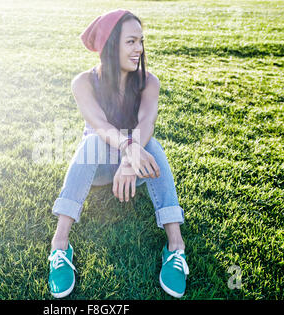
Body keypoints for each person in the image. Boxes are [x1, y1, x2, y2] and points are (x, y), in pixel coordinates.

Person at [48, 9, 189, 299]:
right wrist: (127, 150)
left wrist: (129, 158)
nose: (139, 48)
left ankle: (176, 247)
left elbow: (146, 123)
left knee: (153, 145)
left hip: (134, 173)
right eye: (131, 42)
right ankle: (59, 246)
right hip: (98, 169)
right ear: (111, 45)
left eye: (141, 41)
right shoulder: (83, 82)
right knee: (93, 142)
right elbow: (99, 125)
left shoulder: (149, 81)